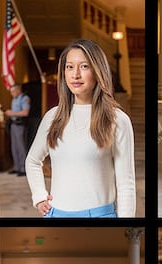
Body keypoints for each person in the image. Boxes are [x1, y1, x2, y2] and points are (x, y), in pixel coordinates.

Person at [25, 39, 135, 218]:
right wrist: (39, 196)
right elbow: (32, 161)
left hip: (100, 215)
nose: (75, 74)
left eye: (84, 66)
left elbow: (126, 184)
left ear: (98, 71)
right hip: (56, 214)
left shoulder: (117, 120)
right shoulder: (53, 117)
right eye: (69, 67)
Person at [5, 83, 31, 176]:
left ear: (18, 90)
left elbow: (25, 112)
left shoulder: (24, 98)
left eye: (13, 91)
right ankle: (17, 167)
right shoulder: (14, 99)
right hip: (13, 124)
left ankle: (24, 169)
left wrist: (11, 113)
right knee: (14, 147)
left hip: (20, 125)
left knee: (21, 147)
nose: (11, 93)